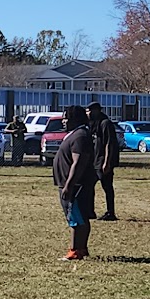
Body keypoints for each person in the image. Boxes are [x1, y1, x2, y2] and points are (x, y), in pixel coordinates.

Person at [52, 104, 97, 261]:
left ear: (75, 119)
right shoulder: (76, 134)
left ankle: (75, 250)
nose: (63, 121)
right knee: (80, 218)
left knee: (76, 219)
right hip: (70, 184)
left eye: (66, 118)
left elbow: (78, 162)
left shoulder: (80, 136)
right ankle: (82, 248)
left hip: (76, 186)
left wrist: (69, 184)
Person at [89, 103, 122, 221]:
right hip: (95, 161)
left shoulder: (105, 123)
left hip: (103, 161)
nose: (88, 113)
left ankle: (110, 212)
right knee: (88, 186)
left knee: (107, 187)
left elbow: (109, 143)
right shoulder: (94, 124)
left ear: (97, 110)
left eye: (90, 111)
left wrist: (107, 163)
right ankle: (90, 211)